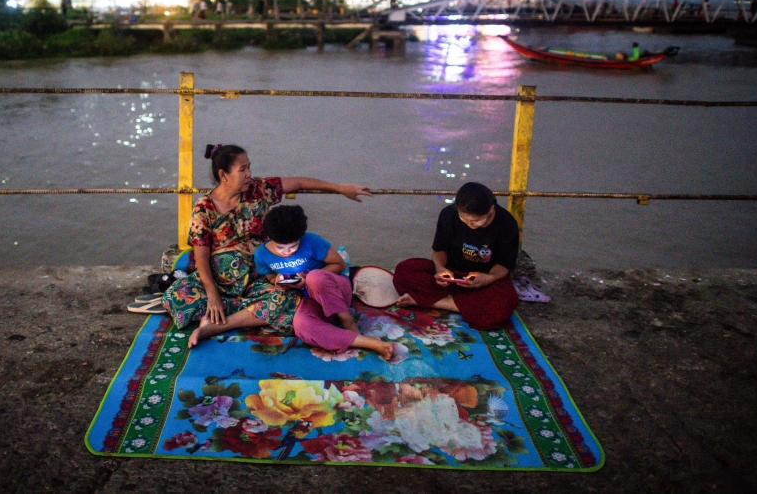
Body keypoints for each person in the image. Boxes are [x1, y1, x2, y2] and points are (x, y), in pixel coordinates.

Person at [162, 144, 372, 347]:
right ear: (223, 174)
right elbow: (201, 257)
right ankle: (232, 310)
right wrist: (213, 295)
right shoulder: (203, 209)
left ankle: (218, 324)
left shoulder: (258, 190)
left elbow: (298, 183)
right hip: (221, 280)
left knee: (289, 299)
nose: (249, 174)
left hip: (258, 276)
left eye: (249, 167)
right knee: (176, 296)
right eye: (242, 169)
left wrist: (341, 188)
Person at [255, 205, 397, 361]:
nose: (287, 252)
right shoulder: (262, 254)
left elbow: (339, 265)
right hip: (310, 300)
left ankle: (347, 321)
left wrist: (307, 280)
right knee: (302, 326)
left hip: (335, 292)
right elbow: (269, 277)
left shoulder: (312, 241)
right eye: (280, 247)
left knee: (315, 278)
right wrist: (278, 280)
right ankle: (368, 343)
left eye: (293, 246)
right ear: (269, 239)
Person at [392, 182, 519, 330]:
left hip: (482, 281)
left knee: (505, 303)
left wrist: (488, 278)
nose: (469, 224)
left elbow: (504, 265)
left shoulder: (506, 224)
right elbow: (439, 250)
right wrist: (440, 268)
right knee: (405, 270)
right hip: (452, 275)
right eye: (464, 219)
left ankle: (428, 301)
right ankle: (462, 304)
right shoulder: (448, 215)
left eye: (475, 221)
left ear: (490, 210)